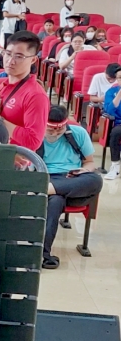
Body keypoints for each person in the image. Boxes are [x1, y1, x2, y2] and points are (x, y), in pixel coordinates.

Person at [40, 105, 102, 269]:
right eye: (50, 130)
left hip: (72, 180)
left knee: (95, 180)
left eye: (58, 131)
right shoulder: (36, 134)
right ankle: (43, 254)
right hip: (46, 177)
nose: (54, 134)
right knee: (55, 202)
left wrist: (84, 170)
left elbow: (89, 162)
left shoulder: (78, 133)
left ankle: (50, 188)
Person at [0, 30, 49, 150]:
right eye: (7, 54)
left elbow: (33, 141)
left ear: (33, 60)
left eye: (19, 56)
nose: (10, 61)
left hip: (14, 162)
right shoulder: (1, 86)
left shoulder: (35, 95)